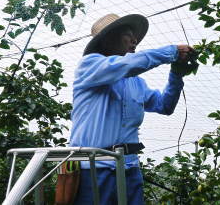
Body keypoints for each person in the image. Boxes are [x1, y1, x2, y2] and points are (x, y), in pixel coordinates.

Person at [69, 13, 194, 204]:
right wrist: (172, 52)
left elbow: (164, 105)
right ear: (109, 38)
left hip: (128, 167)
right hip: (94, 167)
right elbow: (129, 64)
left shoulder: (136, 82)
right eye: (128, 34)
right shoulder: (90, 65)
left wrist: (176, 73)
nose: (135, 40)